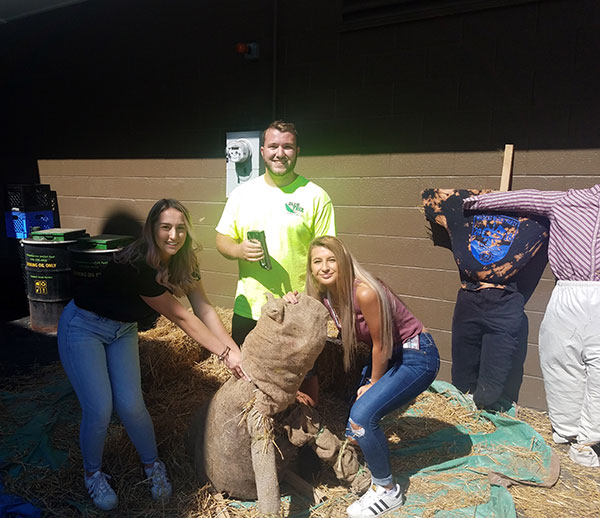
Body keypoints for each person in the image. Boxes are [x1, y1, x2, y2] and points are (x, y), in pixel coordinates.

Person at [57, 199, 247, 511]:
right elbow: (183, 318)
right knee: (100, 408)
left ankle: (152, 465)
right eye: (166, 228)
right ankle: (92, 474)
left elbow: (204, 308)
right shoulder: (140, 264)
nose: (174, 235)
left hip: (122, 330)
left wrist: (234, 349)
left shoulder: (185, 262)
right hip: (84, 326)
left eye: (180, 228)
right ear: (152, 230)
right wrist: (225, 354)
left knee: (132, 405)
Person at [284, 236, 439, 518]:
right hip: (390, 356)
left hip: (416, 354)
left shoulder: (364, 292)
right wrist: (290, 301)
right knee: (352, 429)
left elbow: (381, 345)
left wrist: (373, 384)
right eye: (317, 261)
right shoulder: (326, 294)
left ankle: (386, 490)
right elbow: (302, 312)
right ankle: (373, 465)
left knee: (363, 417)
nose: (325, 267)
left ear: (343, 262)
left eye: (331, 260)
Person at [463, 184, 600, 468]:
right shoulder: (565, 200)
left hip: (577, 293)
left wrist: (470, 203)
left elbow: (524, 197)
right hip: (568, 290)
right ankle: (567, 430)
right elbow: (520, 198)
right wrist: (471, 203)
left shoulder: (563, 200)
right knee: (559, 361)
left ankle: (588, 440)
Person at [216, 120, 336, 406]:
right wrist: (238, 249)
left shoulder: (315, 196)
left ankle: (306, 436)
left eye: (287, 147)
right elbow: (221, 239)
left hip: (297, 308)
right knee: (246, 377)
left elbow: (327, 255)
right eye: (273, 146)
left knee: (304, 376)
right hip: (251, 305)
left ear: (297, 151)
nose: (279, 153)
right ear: (262, 151)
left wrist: (311, 300)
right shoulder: (242, 194)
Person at [422, 188, 549, 410]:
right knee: (462, 366)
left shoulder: (538, 216)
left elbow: (559, 203)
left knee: (495, 372)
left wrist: (510, 201)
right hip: (469, 295)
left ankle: (486, 408)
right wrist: (486, 197)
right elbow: (431, 195)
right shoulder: (468, 213)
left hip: (506, 300)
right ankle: (465, 412)